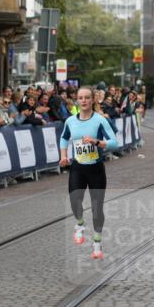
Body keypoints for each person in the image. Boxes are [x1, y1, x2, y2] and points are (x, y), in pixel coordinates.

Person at [59, 87, 119, 260]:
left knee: (96, 207)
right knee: (74, 200)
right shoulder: (70, 121)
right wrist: (63, 156)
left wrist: (97, 142)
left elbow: (114, 143)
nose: (83, 101)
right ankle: (80, 224)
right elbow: (64, 138)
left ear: (93, 100)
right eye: (80, 98)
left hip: (96, 169)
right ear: (77, 100)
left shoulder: (100, 120)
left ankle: (97, 243)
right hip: (78, 167)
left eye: (87, 98)